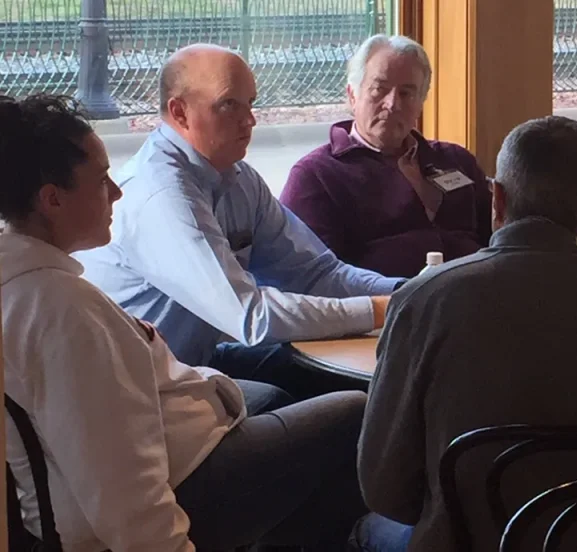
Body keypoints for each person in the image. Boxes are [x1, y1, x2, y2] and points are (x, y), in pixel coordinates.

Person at [0, 93, 369, 551]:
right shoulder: (64, 313)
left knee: (267, 392)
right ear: (52, 200)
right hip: (174, 486)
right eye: (101, 181)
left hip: (168, 433)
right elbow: (122, 492)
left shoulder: (29, 285)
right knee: (355, 412)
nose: (118, 192)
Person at [353, 115, 577, 551]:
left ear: (496, 197)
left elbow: (382, 486)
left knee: (366, 529)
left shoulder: (423, 301)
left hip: (467, 542)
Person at [75, 44, 404, 398]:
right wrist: (379, 311)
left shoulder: (239, 179)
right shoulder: (159, 194)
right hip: (138, 391)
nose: (249, 120)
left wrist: (410, 292)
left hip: (192, 362)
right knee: (309, 405)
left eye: (251, 103)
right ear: (179, 112)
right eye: (229, 104)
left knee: (337, 378)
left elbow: (316, 274)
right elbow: (250, 318)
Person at [281, 35, 492, 278]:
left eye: (406, 93)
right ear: (352, 95)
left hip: (477, 299)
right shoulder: (316, 176)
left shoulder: (456, 160)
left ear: (421, 103)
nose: (392, 104)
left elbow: (500, 240)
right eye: (379, 89)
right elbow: (314, 279)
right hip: (385, 308)